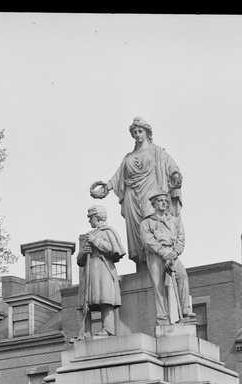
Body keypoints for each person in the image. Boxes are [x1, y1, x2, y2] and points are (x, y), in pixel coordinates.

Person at [92, 117, 183, 272]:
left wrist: (174, 174)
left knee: (152, 226)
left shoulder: (157, 151)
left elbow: (171, 166)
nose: (138, 134)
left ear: (147, 132)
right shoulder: (128, 157)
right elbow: (118, 176)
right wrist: (106, 187)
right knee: (137, 234)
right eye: (134, 132)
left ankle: (159, 264)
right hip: (132, 198)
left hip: (151, 192)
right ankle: (141, 267)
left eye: (140, 131)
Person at [139, 191, 194, 325]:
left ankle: (185, 312)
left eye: (165, 201)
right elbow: (147, 240)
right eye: (160, 201)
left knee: (182, 275)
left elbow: (181, 237)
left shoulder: (174, 220)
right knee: (159, 286)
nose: (163, 203)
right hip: (156, 255)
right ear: (154, 204)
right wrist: (163, 252)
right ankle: (162, 318)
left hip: (172, 253)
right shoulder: (147, 223)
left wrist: (175, 252)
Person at [76, 204, 126, 337]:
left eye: (90, 217)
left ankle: (108, 329)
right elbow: (79, 261)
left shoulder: (107, 231)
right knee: (85, 301)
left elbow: (114, 250)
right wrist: (82, 252)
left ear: (98, 217)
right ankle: (85, 332)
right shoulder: (90, 234)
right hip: (90, 269)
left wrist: (96, 241)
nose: (89, 220)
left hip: (104, 267)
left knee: (105, 298)